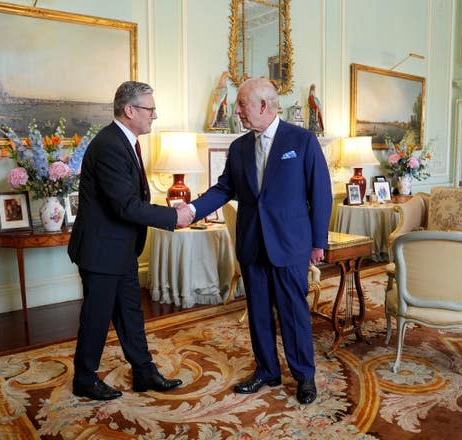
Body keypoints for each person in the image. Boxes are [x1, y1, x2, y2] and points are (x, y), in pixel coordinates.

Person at [190, 77, 332, 405]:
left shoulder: (303, 140)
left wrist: (317, 241)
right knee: (258, 312)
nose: (237, 111)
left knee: (293, 312)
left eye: (242, 105)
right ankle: (267, 370)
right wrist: (193, 210)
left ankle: (304, 375)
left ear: (263, 106)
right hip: (253, 243)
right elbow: (225, 188)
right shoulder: (239, 147)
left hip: (290, 244)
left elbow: (320, 193)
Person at [67, 81, 194, 401]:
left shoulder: (125, 141)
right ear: (130, 110)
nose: (154, 115)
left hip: (120, 246)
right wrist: (172, 217)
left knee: (129, 311)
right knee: (96, 317)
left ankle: (143, 370)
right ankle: (84, 378)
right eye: (150, 109)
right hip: (101, 249)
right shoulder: (110, 144)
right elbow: (124, 205)